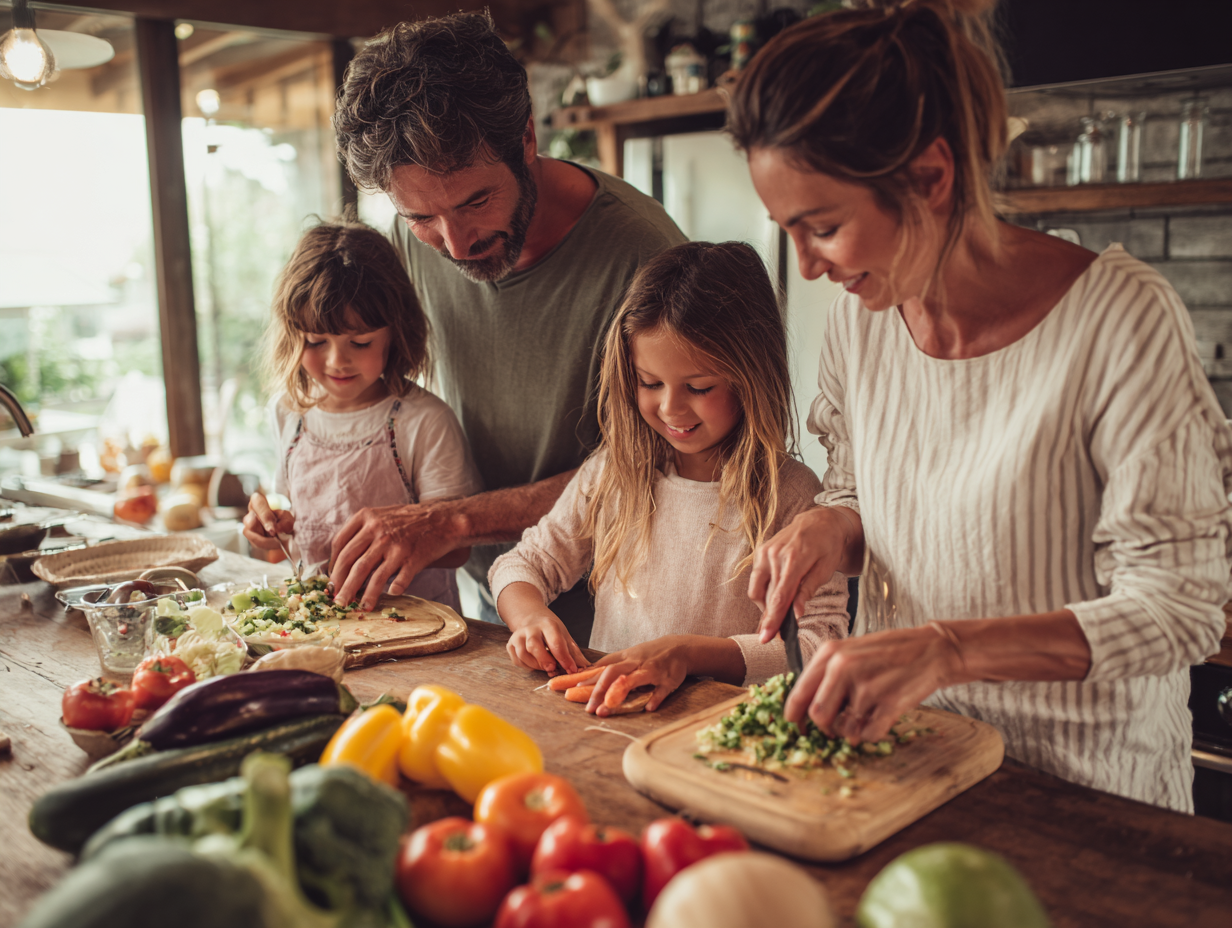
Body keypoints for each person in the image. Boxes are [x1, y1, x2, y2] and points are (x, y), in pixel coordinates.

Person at [731, 0, 1232, 812]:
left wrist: (948, 650)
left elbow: (1177, 612)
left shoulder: (1120, 319)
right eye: (787, 229)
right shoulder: (862, 323)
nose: (808, 266)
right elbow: (868, 498)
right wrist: (831, 526)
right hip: (900, 768)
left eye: (822, 227)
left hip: (1085, 800)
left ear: (931, 178)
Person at [328, 11, 687, 634]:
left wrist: (454, 521)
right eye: (421, 216)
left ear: (526, 138)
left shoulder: (644, 255)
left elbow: (666, 464)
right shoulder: (412, 244)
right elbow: (380, 395)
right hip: (489, 599)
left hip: (624, 613)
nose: (456, 242)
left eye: (475, 201)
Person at [488, 242, 850, 713]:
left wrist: (687, 654)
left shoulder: (797, 498)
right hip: (607, 723)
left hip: (719, 738)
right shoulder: (615, 474)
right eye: (650, 383)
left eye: (698, 388)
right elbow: (520, 565)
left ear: (752, 376)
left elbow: (820, 644)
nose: (671, 408)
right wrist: (530, 616)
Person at [242, 221, 482, 613]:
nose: (337, 361)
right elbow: (292, 528)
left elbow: (457, 549)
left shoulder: (424, 421)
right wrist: (271, 529)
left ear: (396, 332)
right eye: (316, 341)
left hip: (415, 627)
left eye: (360, 342)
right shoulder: (287, 412)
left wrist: (402, 543)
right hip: (321, 624)